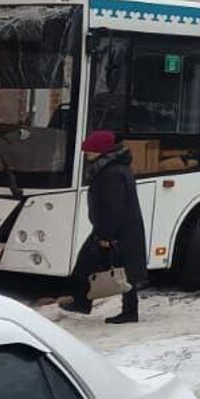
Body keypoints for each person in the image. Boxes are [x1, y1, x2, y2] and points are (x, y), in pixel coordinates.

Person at [62, 130, 147, 324]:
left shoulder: (111, 173)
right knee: (122, 270)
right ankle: (90, 303)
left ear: (102, 151)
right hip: (122, 230)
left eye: (90, 151)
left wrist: (106, 235)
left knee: (90, 266)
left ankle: (86, 303)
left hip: (115, 231)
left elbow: (113, 206)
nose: (87, 154)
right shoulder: (114, 168)